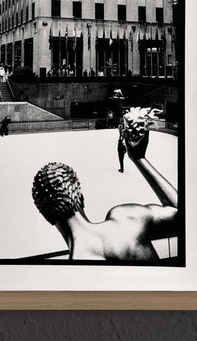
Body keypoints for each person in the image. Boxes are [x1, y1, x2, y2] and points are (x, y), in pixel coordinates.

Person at [31, 107, 177, 261]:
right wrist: (139, 158)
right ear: (81, 198)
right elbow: (179, 213)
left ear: (47, 216)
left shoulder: (78, 266)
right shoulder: (127, 219)